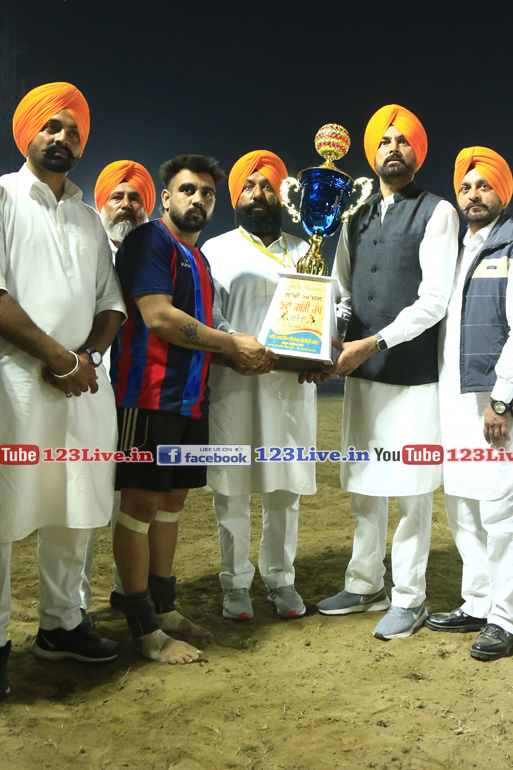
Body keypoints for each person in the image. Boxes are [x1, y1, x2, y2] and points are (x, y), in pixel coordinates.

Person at [0, 82, 125, 700]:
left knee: (74, 508)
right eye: (51, 126)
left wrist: (87, 358)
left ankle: (62, 624)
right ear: (27, 131)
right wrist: (58, 358)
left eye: (73, 130)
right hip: (12, 386)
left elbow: (111, 303)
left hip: (83, 385)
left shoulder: (87, 217)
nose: (62, 138)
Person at [110, 154, 272, 663]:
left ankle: (164, 608)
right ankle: (143, 628)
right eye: (187, 190)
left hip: (189, 400)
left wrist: (245, 350)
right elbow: (158, 317)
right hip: (146, 397)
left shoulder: (198, 259)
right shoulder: (149, 241)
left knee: (172, 503)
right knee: (139, 506)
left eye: (206, 193)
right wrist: (231, 344)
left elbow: (206, 328)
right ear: (166, 197)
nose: (197, 199)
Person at [314, 104, 458, 641]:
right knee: (365, 488)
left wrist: (372, 342)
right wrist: (327, 338)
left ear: (417, 152)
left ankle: (409, 598)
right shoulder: (354, 215)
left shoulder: (438, 212)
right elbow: (342, 290)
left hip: (413, 378)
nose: (392, 148)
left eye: (402, 140)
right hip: (361, 374)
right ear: (371, 153)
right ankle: (364, 583)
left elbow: (434, 300)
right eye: (383, 141)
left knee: (411, 491)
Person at [426, 147, 513, 661]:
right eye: (466, 187)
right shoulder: (455, 251)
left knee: (501, 510)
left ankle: (506, 618)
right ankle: (477, 602)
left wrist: (501, 398)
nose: (474, 195)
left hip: (490, 402)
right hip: (452, 398)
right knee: (463, 507)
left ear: (503, 192)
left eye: (484, 185)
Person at [201, 150, 315, 620]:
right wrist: (237, 343)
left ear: (281, 196)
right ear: (236, 197)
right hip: (232, 382)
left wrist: (319, 347)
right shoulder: (215, 249)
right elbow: (210, 313)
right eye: (248, 186)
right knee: (231, 488)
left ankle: (281, 579)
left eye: (267, 185)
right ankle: (235, 583)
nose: (258, 194)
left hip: (290, 388)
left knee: (284, 488)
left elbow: (320, 311)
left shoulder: (304, 250)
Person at [76, 159, 157, 620]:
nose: (126, 205)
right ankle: (76, 605)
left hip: (140, 397)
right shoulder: (84, 252)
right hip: (87, 387)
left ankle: (129, 591)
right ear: (101, 204)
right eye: (117, 197)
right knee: (85, 500)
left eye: (135, 199)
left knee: (134, 500)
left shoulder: (157, 257)